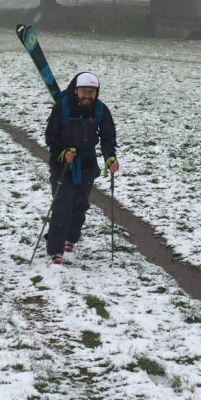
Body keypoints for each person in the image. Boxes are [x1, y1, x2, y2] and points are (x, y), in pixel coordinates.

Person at [44, 71, 119, 264]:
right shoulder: (62, 107)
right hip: (62, 164)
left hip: (87, 163)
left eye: (92, 92)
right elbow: (50, 137)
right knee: (62, 204)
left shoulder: (101, 110)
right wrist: (63, 153)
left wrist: (110, 158)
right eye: (84, 91)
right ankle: (56, 250)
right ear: (76, 91)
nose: (88, 96)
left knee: (80, 204)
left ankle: (70, 239)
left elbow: (108, 137)